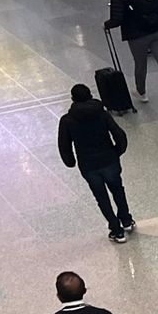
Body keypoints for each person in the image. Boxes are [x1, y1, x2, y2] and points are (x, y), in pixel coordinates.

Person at [58, 83, 135, 244]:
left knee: (101, 197)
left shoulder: (67, 120)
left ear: (73, 99)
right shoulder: (102, 114)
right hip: (109, 159)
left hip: (88, 165)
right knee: (118, 190)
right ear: (90, 96)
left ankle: (116, 230)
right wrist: (117, 151)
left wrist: (70, 161)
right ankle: (126, 220)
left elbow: (64, 145)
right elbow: (118, 134)